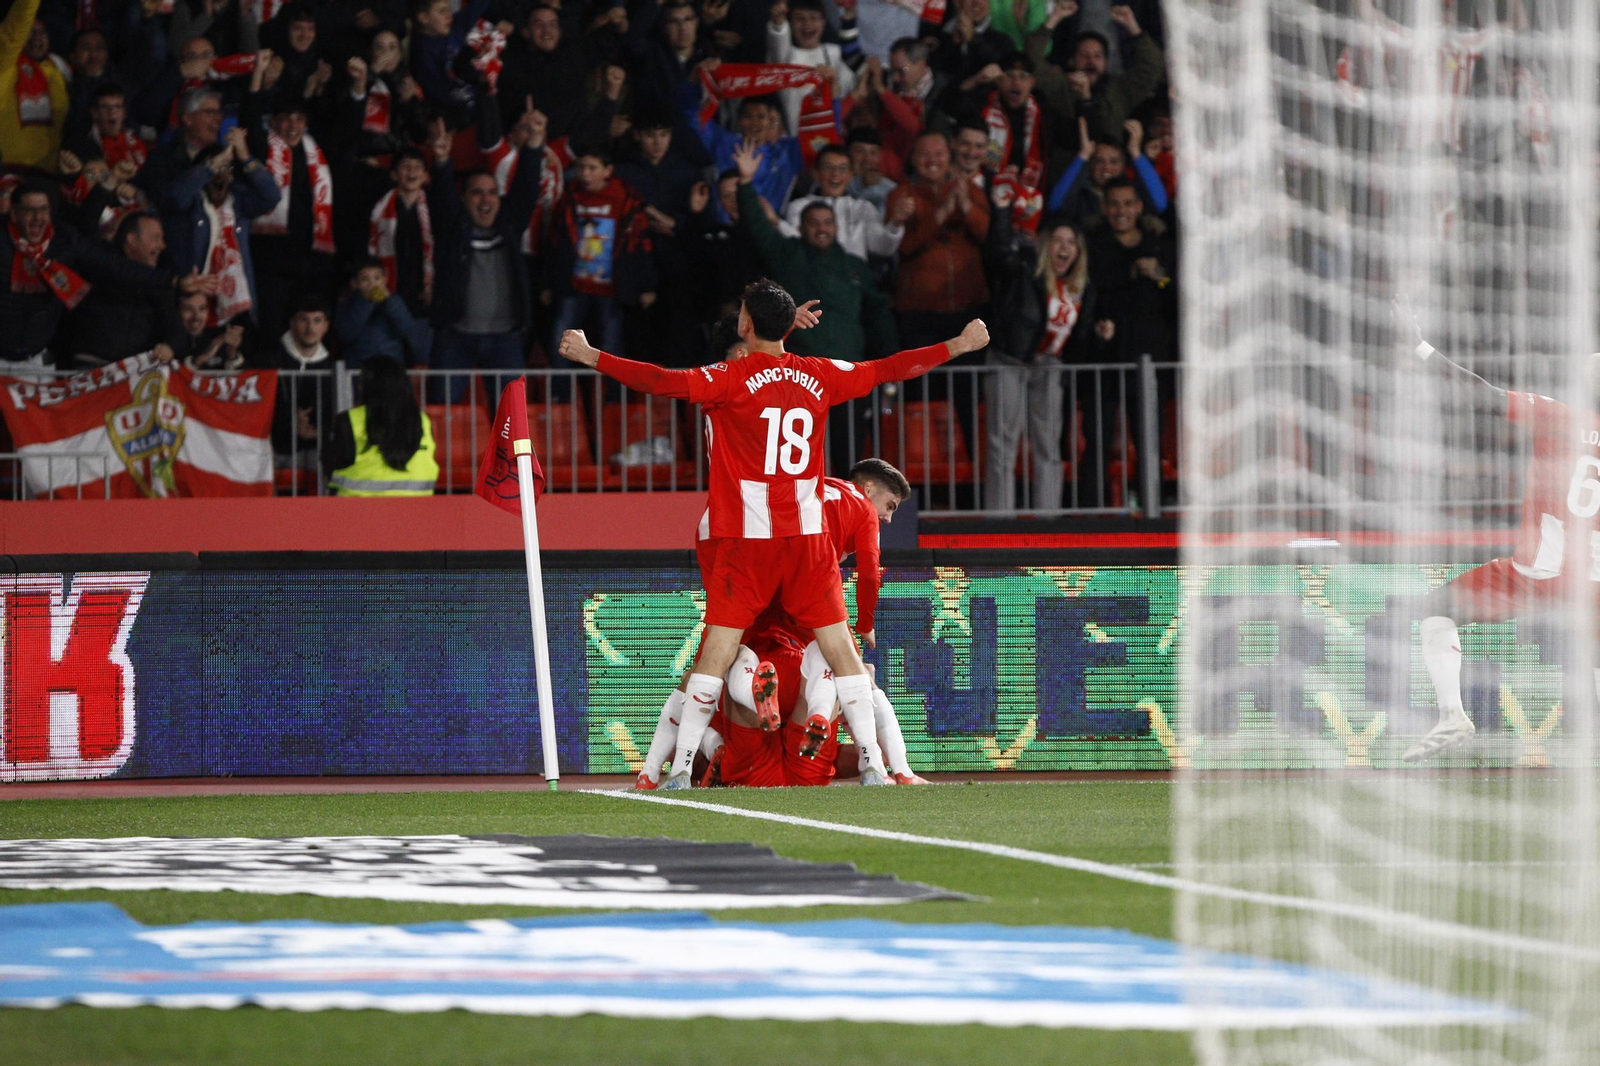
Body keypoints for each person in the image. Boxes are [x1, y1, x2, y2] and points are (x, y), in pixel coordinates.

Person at [559, 279, 989, 789]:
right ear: (788, 327)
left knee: (716, 652)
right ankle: (874, 765)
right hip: (808, 540)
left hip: (748, 539)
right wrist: (957, 345)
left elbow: (658, 380)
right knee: (841, 652)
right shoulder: (821, 374)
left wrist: (592, 356)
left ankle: (677, 771)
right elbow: (890, 367)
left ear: (744, 325)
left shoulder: (729, 377)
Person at [1391, 297, 1595, 762]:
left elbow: (1478, 394)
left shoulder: (1559, 416)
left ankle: (1452, 715)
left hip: (1541, 572)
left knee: (1437, 609)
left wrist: (1420, 346)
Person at [982, 187, 1112, 512]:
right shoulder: (1027, 271)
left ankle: (1047, 520)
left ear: (1079, 251)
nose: (1064, 248)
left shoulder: (1082, 290)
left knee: (1049, 445)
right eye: (1058, 241)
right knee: (1004, 444)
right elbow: (997, 255)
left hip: (1049, 365)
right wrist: (1000, 213)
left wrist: (1098, 333)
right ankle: (1000, 523)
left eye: (1071, 243)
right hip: (1009, 361)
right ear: (1045, 246)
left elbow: (1079, 341)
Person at [1, 182, 213, 374]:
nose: (38, 217)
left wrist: (174, 281)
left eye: (43, 209)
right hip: (79, 365)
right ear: (14, 213)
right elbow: (89, 222)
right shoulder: (4, 243)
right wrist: (104, 183)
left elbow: (118, 269)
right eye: (30, 210)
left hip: (38, 361)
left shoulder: (64, 242)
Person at [543, 144, 656, 373]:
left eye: (592, 168)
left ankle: (613, 404)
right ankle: (563, 401)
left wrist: (647, 285)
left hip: (612, 289)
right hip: (573, 286)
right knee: (560, 341)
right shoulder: (570, 199)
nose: (585, 174)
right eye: (581, 167)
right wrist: (547, 283)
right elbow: (554, 243)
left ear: (608, 170)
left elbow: (641, 244)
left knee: (611, 349)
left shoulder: (626, 200)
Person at [163, 131, 281, 330]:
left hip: (236, 304)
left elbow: (271, 196)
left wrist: (245, 157)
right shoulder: (189, 204)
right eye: (217, 167)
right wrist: (210, 166)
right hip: (193, 302)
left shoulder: (239, 203)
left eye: (227, 167)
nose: (221, 173)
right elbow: (174, 196)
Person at [58, 212, 184, 369]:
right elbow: (87, 221)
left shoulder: (158, 281)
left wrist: (169, 346)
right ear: (131, 240)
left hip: (131, 376)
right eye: (155, 238)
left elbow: (175, 327)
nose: (162, 245)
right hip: (89, 370)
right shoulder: (103, 263)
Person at [324, 355, 440, 495]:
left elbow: (329, 466)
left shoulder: (349, 420)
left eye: (361, 382)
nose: (359, 387)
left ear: (368, 387)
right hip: (419, 511)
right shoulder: (423, 420)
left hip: (358, 512)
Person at [778, 143, 910, 262]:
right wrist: (776, 222)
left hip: (853, 282)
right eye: (828, 167)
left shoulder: (863, 208)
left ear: (850, 175)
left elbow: (882, 249)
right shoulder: (798, 206)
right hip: (812, 279)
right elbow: (795, 244)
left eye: (842, 169)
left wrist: (895, 223)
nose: (835, 174)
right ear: (816, 174)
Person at [764, 0, 855, 137]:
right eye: (799, 19)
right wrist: (778, 22)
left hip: (829, 138)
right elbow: (778, 39)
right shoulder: (784, 57)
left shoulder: (834, 53)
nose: (807, 24)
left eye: (813, 18)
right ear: (790, 24)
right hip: (795, 139)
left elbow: (849, 91)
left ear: (824, 22)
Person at [0, 0, 69, 173]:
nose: (37, 38)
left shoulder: (60, 70)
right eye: (30, 33)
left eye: (42, 33)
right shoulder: (6, 66)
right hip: (7, 169)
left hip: (47, 174)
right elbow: (12, 35)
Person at [334, 256, 432, 368]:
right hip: (360, 368)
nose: (372, 284)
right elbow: (346, 334)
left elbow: (407, 329)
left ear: (385, 279)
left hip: (392, 366)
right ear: (354, 284)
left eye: (377, 278)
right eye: (365, 279)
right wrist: (367, 304)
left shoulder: (394, 301)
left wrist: (389, 303)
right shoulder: (347, 303)